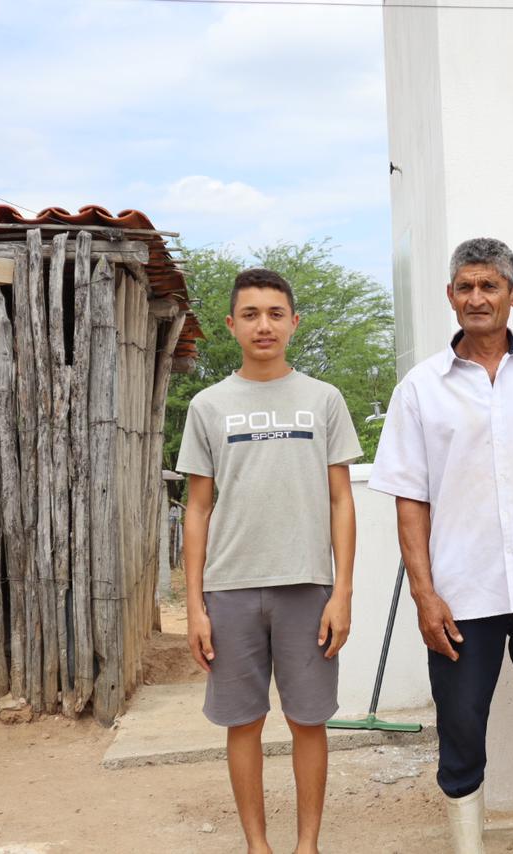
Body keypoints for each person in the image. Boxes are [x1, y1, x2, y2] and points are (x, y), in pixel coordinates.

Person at [369, 237, 513, 854]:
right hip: (459, 595)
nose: (477, 297)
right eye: (466, 286)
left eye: (490, 285)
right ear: (451, 296)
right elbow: (409, 501)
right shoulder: (420, 389)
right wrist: (424, 595)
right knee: (460, 729)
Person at [177, 268, 363, 854]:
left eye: (275, 313)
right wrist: (194, 605)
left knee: (309, 721)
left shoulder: (323, 399)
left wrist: (343, 591)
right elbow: (198, 509)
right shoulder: (209, 406)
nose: (264, 325)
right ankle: (258, 845)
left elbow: (341, 498)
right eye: (251, 314)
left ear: (293, 322)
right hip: (230, 589)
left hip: (308, 587)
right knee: (244, 722)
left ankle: (307, 845)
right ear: (232, 325)